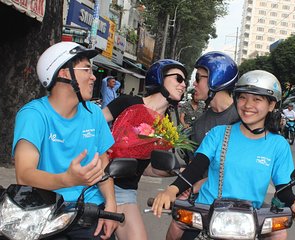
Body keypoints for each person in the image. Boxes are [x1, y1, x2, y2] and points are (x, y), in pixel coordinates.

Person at [152, 70, 295, 240]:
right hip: (205, 215)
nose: (247, 105)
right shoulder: (218, 134)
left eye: (257, 99)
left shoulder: (278, 145)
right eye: (242, 97)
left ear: (272, 105)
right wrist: (171, 190)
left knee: (280, 235)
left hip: (249, 223)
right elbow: (196, 166)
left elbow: (283, 189)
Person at [12, 42, 117, 239]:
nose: (93, 76)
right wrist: (67, 179)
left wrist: (111, 204)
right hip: (45, 212)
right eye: (86, 69)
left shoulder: (94, 113)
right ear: (64, 73)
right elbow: (24, 175)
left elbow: (102, 166)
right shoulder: (34, 115)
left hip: (90, 211)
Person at [102, 59, 188, 240]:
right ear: (160, 78)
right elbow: (91, 127)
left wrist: (177, 171)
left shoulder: (166, 127)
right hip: (95, 182)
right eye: (179, 79)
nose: (184, 85)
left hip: (124, 191)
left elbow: (147, 167)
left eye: (185, 81)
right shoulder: (127, 102)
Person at [167, 51, 240, 240]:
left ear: (216, 79)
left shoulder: (242, 119)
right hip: (204, 204)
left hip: (239, 210)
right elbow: (196, 166)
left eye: (199, 78)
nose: (194, 84)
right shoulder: (200, 124)